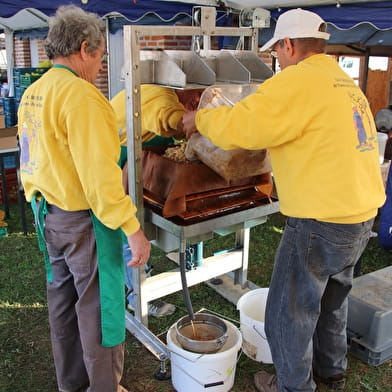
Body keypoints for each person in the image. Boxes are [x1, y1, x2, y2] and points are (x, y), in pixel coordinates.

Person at [181, 8, 386, 392]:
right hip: (360, 216)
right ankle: (331, 372)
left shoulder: (296, 82)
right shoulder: (341, 80)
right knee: (332, 300)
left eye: (277, 52)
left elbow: (244, 128)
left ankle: (293, 386)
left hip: (321, 220)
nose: (277, 59)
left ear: (289, 45)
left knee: (288, 313)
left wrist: (199, 121)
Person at [17, 5, 150, 392]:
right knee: (98, 311)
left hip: (49, 218)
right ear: (84, 47)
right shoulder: (82, 96)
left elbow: (36, 158)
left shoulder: (35, 93)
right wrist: (132, 229)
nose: (99, 67)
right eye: (100, 58)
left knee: (63, 308)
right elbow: (101, 181)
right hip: (83, 223)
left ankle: (72, 384)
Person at [110, 85, 204, 316]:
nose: (198, 103)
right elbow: (173, 120)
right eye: (197, 96)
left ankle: (193, 264)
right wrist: (201, 122)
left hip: (141, 154)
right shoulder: (162, 98)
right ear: (183, 88)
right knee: (129, 225)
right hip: (118, 157)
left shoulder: (171, 96)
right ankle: (136, 295)